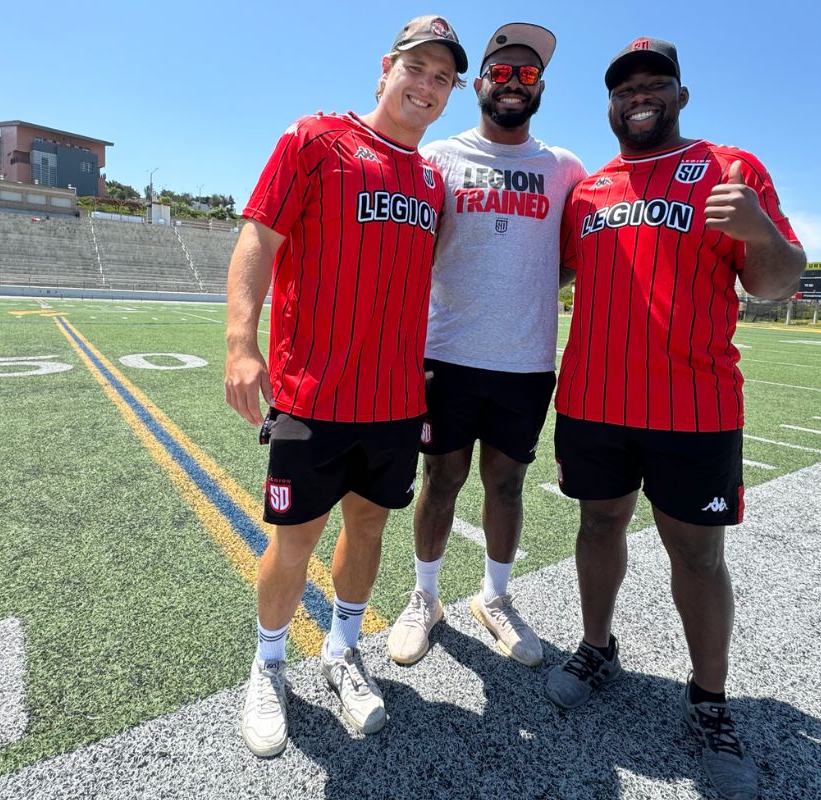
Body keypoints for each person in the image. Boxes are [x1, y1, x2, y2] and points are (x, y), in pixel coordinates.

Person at [543, 38, 805, 800]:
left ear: (681, 95)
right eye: (626, 88)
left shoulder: (730, 170)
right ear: (611, 104)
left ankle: (710, 701)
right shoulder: (588, 191)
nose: (640, 95)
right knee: (598, 526)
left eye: (656, 83)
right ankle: (598, 648)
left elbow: (775, 281)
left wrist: (761, 230)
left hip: (694, 408)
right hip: (593, 403)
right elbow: (544, 270)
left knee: (697, 557)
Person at [224, 15, 467, 758]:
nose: (425, 86)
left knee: (369, 529)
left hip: (395, 402)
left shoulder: (431, 180)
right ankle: (268, 667)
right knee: (293, 539)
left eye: (442, 77)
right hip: (311, 397)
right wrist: (241, 342)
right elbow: (258, 237)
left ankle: (341, 651)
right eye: (416, 68)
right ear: (385, 68)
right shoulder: (315, 140)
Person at [385, 23, 585, 668]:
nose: (512, 84)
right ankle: (425, 596)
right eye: (501, 72)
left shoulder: (564, 168)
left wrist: (519, 285)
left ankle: (494, 597)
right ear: (479, 82)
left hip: (525, 362)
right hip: (445, 354)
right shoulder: (438, 157)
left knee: (507, 486)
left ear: (542, 88)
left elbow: (567, 260)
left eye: (527, 75)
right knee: (440, 480)